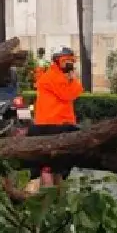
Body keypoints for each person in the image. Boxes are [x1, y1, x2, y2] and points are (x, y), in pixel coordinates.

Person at [29, 47, 84, 190]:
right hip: (54, 124)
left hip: (52, 123)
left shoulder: (56, 76)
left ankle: (55, 195)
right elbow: (70, 94)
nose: (69, 64)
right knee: (60, 160)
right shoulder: (54, 77)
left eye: (71, 61)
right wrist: (74, 80)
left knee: (55, 166)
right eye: (66, 61)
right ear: (57, 61)